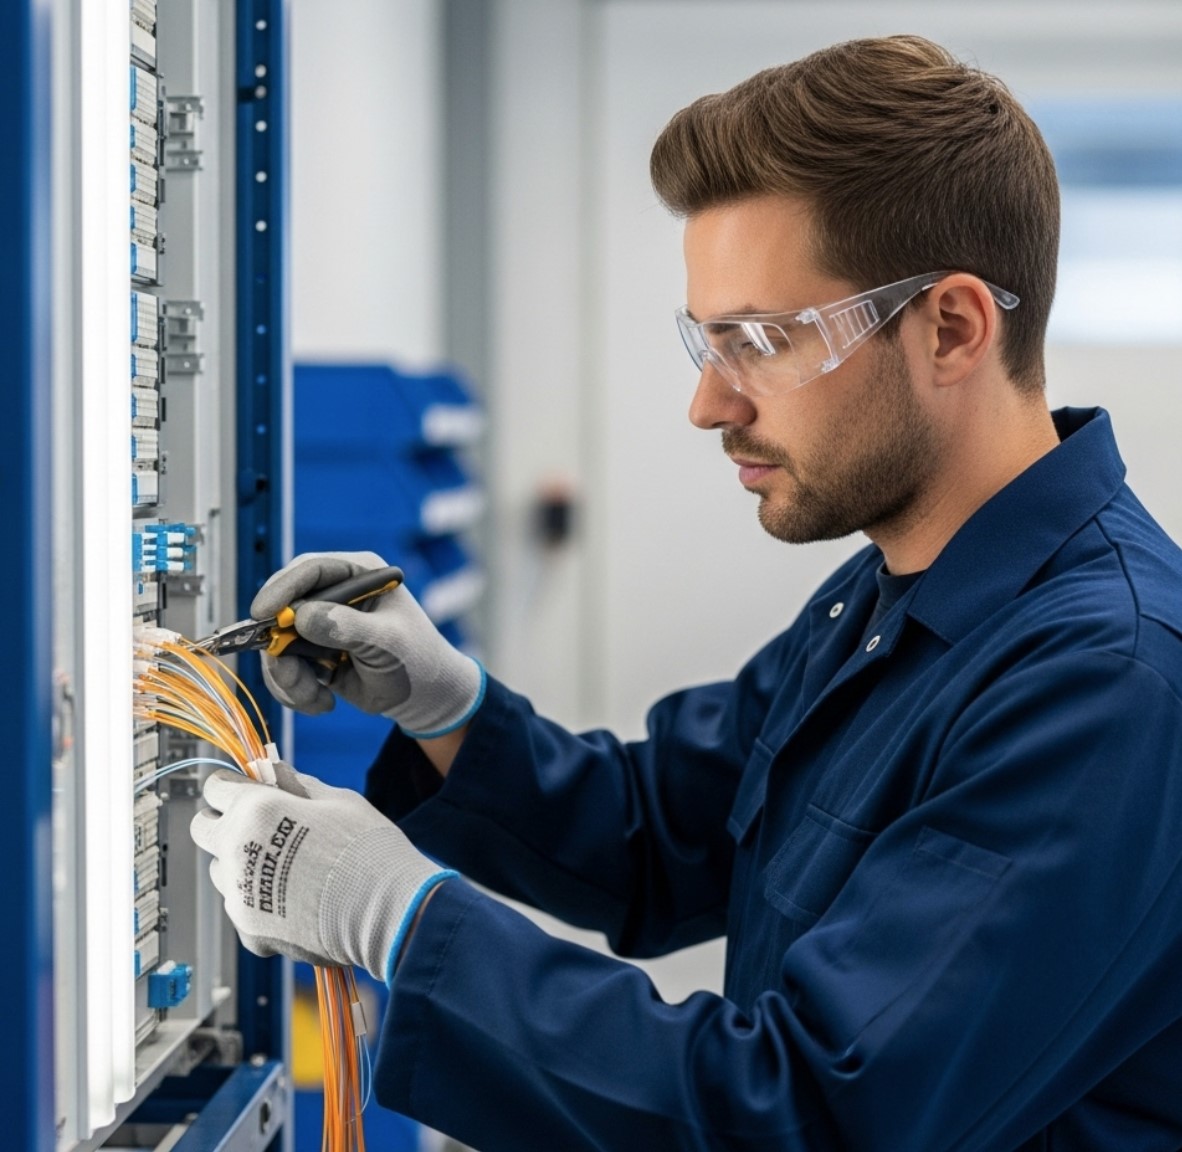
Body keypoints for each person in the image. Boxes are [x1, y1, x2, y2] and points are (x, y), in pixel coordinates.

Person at [190, 34, 1182, 1151]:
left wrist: (397, 919)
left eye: (759, 341)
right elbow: (664, 834)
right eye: (705, 343)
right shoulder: (893, 596)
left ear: (950, 327)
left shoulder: (1109, 684)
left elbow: (809, 1115)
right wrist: (447, 708)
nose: (710, 405)